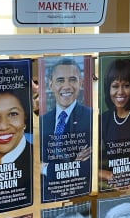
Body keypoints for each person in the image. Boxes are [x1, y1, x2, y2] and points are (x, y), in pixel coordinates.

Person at [39, 57, 92, 201]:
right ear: (51, 85)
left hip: (76, 195)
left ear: (80, 83)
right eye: (60, 80)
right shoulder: (42, 121)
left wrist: (44, 168)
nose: (67, 86)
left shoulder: (91, 118)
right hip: (45, 195)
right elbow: (35, 162)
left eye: (72, 79)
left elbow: (85, 169)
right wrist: (73, 164)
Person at [99, 57, 130, 190]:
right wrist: (109, 176)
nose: (120, 92)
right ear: (108, 89)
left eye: (126, 86)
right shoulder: (104, 119)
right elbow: (87, 164)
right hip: (113, 187)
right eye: (115, 86)